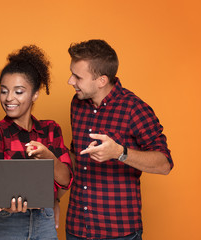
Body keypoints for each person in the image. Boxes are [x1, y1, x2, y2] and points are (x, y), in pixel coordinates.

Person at [65, 39, 174, 240]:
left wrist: (119, 153)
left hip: (118, 232)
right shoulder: (77, 104)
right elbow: (76, 156)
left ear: (101, 81)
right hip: (77, 228)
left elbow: (164, 164)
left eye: (77, 77)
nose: (70, 81)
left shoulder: (134, 109)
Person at [0, 45, 73, 240]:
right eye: (4, 91)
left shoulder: (51, 129)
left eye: (19, 92)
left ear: (35, 94)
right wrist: (6, 202)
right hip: (5, 221)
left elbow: (65, 179)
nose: (9, 98)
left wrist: (47, 157)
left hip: (44, 220)